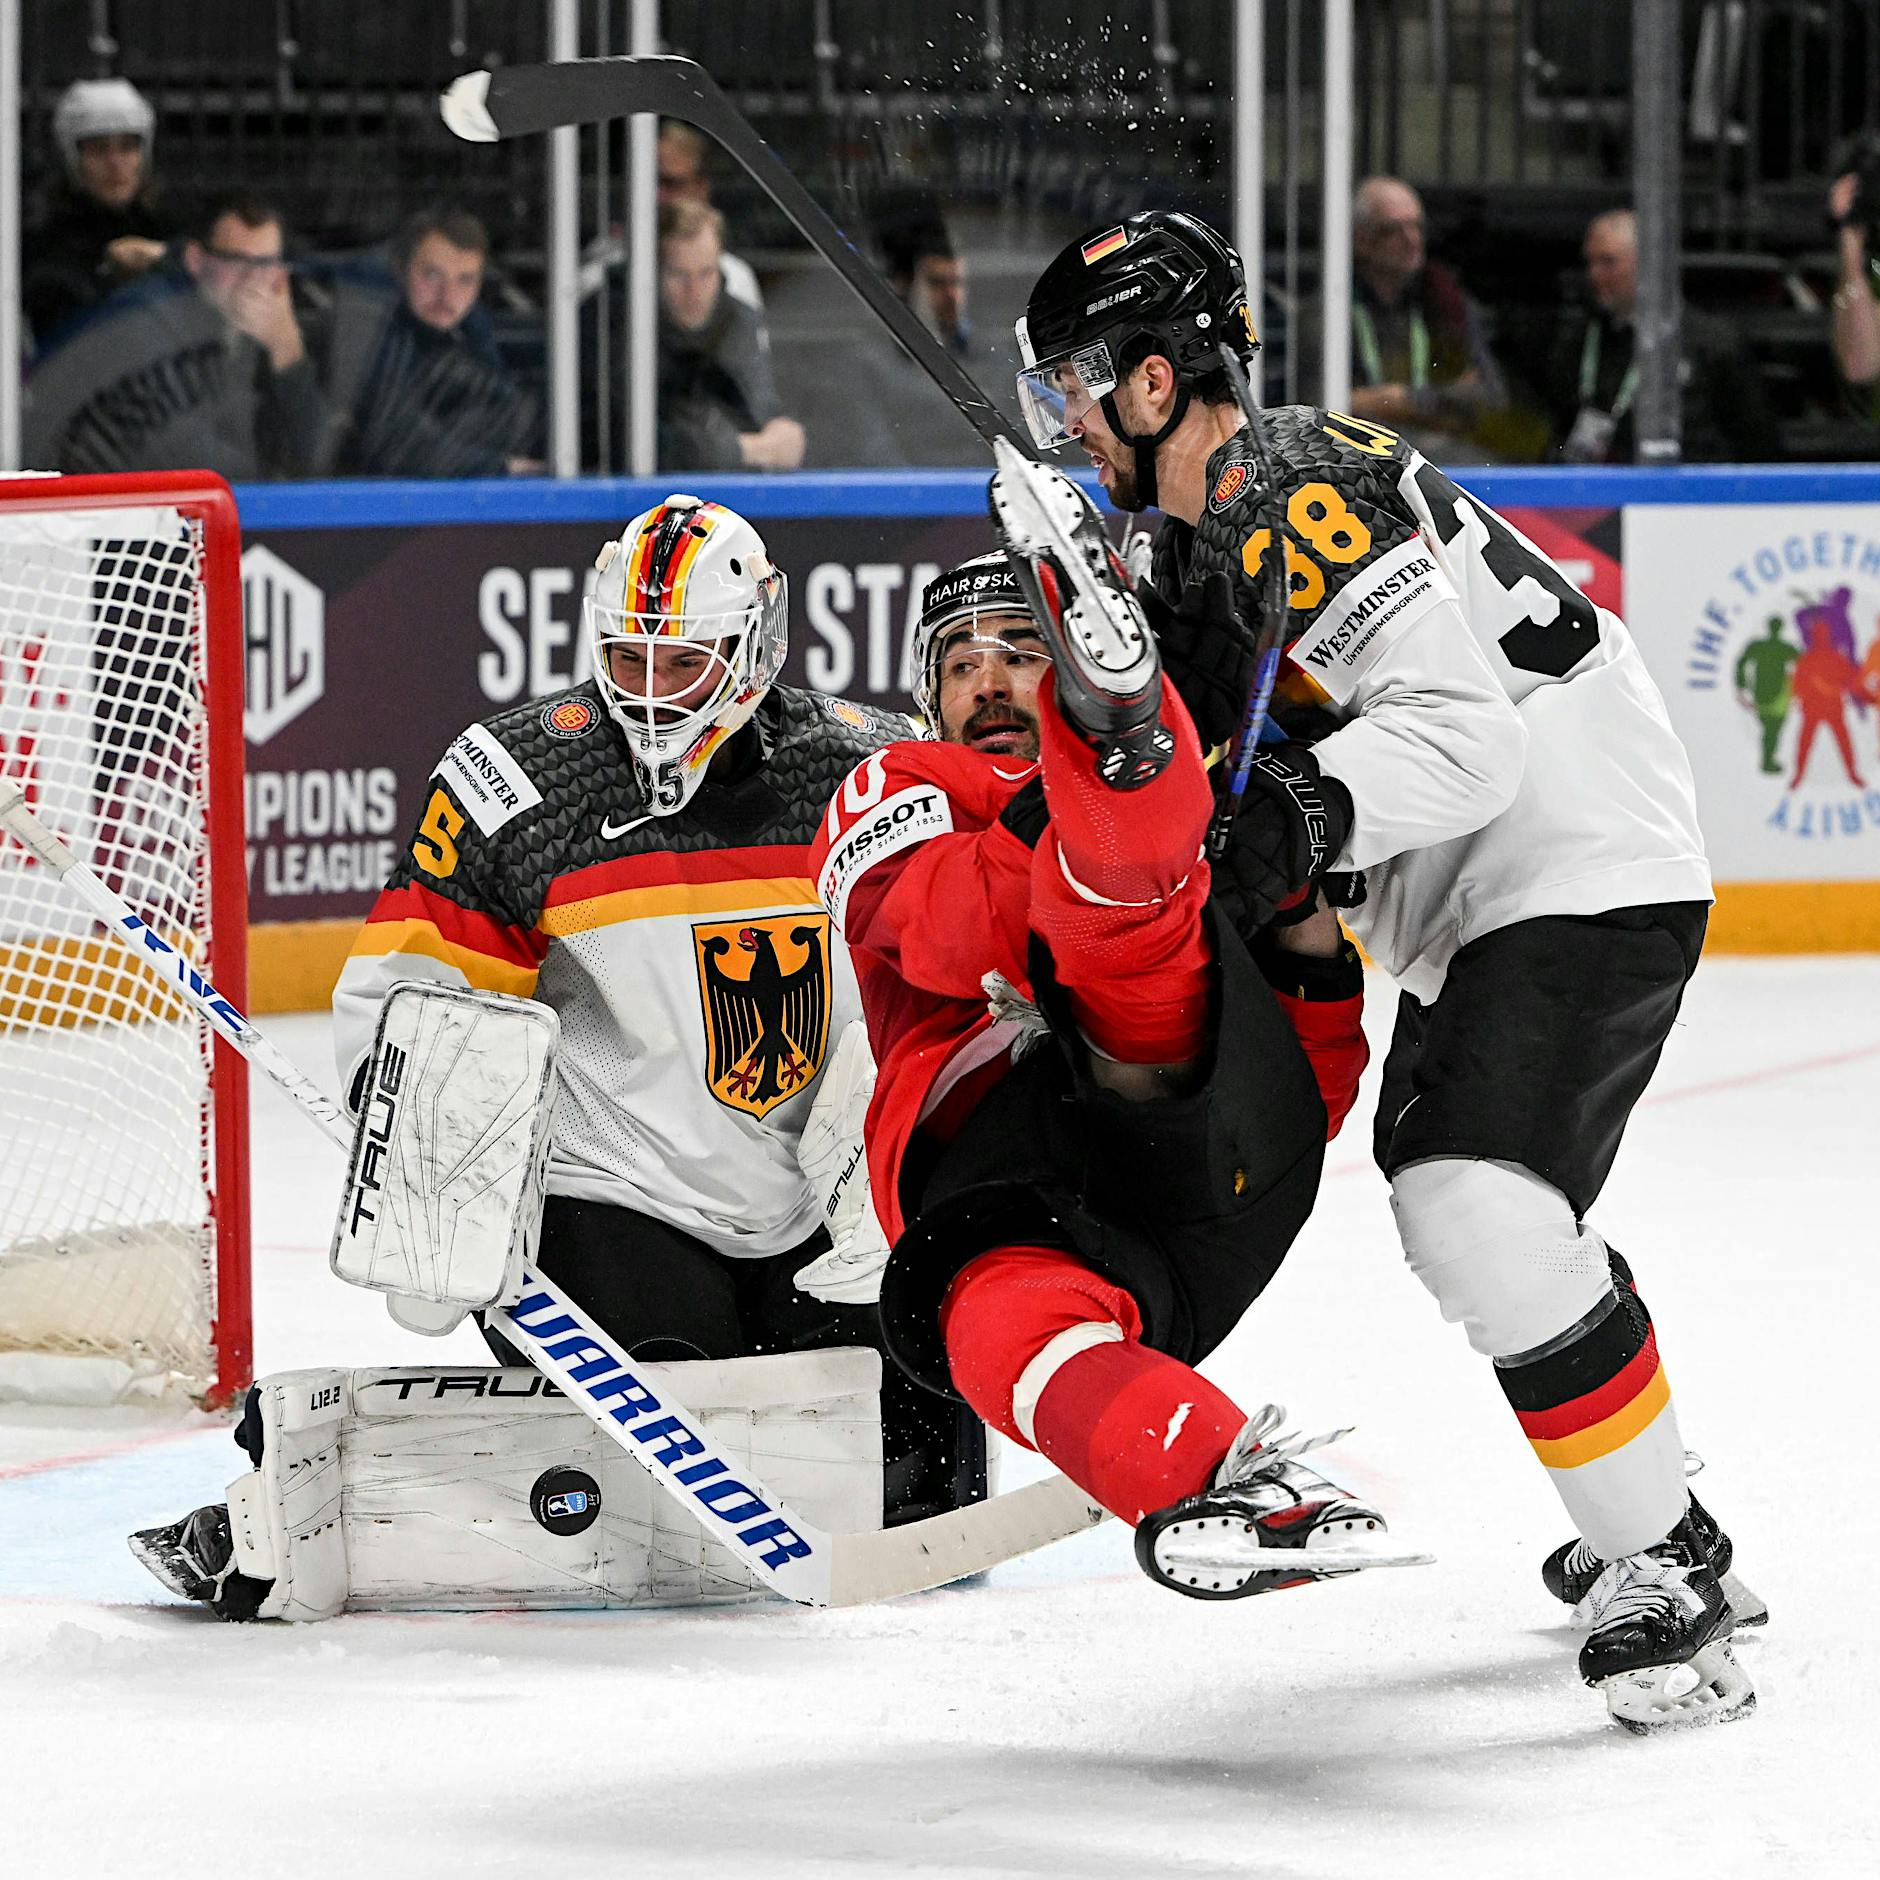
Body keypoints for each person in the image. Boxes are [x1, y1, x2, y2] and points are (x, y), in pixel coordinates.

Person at [1011, 209, 1761, 1729]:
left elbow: (1463, 737)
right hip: (1505, 886)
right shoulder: (1213, 518)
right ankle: (1664, 1525)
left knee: (1477, 1202)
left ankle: (1668, 1581)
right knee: (1460, 1198)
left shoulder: (1277, 481)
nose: (1072, 419)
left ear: (1161, 381)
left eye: (1083, 384)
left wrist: (1296, 809)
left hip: (1568, 860)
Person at [130, 496, 987, 1619]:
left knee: (918, 1474)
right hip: (610, 1192)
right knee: (671, 1436)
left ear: (750, 650)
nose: (643, 688)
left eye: (677, 662)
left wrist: (886, 1148)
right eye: (623, 655)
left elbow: (948, 988)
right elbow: (409, 995)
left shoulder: (864, 769)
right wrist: (433, 1182)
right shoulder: (517, 781)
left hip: (809, 1204)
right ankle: (304, 1480)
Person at [811, 523, 1396, 1603]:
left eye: (1020, 652)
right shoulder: (897, 780)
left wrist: (1296, 915)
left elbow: (1297, 1095)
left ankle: (1131, 759)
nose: (987, 677)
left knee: (1131, 925)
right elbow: (951, 927)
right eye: (959, 660)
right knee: (991, 1327)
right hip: (1003, 1164)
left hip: (1182, 1139)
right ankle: (1223, 1474)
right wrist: (1068, 798)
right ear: (925, 698)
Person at [23, 190, 328, 480]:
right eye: (237, 263)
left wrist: (287, 349)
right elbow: (202, 466)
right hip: (88, 517)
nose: (254, 281)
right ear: (196, 261)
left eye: (266, 264)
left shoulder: (268, 330)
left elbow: (317, 458)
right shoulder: (143, 325)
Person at [1294, 176, 1507, 460]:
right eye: (1394, 229)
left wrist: (1398, 401)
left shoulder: (1444, 302)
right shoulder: (1329, 311)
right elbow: (1318, 408)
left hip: (1439, 460)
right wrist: (1442, 402)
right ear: (1361, 240)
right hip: (1358, 464)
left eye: (1417, 226)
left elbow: (1491, 398)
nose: (1412, 240)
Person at [1542, 208, 1777, 464]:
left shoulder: (1714, 342)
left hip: (1690, 494)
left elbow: (1755, 440)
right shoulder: (1580, 339)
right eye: (1590, 263)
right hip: (1598, 492)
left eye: (1608, 262)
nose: (1594, 275)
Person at [324, 209, 542, 477]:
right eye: (432, 275)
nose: (447, 295)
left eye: (465, 280)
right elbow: (393, 440)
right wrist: (499, 466)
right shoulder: (371, 329)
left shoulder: (471, 329)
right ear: (402, 271)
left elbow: (503, 416)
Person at [24, 78, 175, 351]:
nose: (115, 163)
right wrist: (109, 273)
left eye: (127, 147)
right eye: (99, 149)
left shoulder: (169, 224)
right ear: (74, 159)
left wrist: (167, 259)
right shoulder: (47, 240)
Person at [657, 201, 804, 473]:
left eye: (706, 273)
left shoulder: (738, 319)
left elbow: (765, 412)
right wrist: (745, 449)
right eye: (678, 274)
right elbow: (646, 443)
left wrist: (781, 430)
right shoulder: (620, 325)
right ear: (652, 271)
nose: (695, 290)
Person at [657, 119, 766, 316]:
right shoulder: (604, 269)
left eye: (671, 183)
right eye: (649, 180)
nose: (657, 195)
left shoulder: (735, 280)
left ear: (701, 189)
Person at [1734, 617, 1800, 775]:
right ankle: (1767, 761)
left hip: (1766, 692)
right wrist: (1742, 685)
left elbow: (1804, 664)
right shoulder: (1781, 647)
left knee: (1771, 729)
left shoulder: (1764, 646)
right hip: (1772, 693)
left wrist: (1742, 684)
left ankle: (1768, 760)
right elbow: (1742, 662)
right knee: (1772, 729)